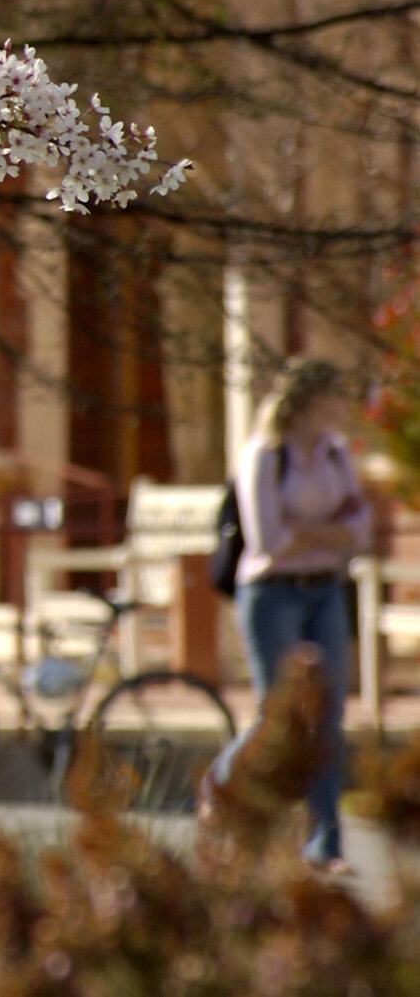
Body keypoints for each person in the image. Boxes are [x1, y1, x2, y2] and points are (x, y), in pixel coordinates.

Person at [206, 357, 372, 869]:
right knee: (276, 714)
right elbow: (271, 540)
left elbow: (361, 532)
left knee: (328, 716)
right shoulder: (263, 455)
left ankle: (325, 844)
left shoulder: (337, 455)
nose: (342, 406)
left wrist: (309, 530)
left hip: (324, 590)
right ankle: (219, 787)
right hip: (271, 594)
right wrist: (328, 530)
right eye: (334, 395)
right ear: (309, 401)